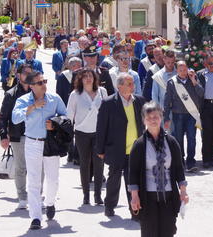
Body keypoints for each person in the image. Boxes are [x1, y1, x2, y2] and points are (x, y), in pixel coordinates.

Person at [12, 71, 67, 230]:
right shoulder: (23, 100)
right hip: (32, 143)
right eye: (40, 83)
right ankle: (36, 217)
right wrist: (32, 107)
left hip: (51, 143)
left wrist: (55, 124)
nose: (44, 85)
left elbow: (66, 116)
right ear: (31, 86)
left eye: (45, 81)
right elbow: (15, 118)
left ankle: (50, 203)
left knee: (53, 179)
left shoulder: (54, 98)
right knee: (34, 181)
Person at [129, 102, 189, 236]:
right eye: (148, 117)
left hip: (168, 197)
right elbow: (132, 173)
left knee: (168, 232)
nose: (152, 120)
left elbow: (179, 169)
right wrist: (134, 196)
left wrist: (183, 192)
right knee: (149, 233)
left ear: (161, 117)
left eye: (155, 116)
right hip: (147, 198)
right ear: (144, 120)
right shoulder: (139, 145)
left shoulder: (172, 142)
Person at [96, 73, 146, 218]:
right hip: (116, 149)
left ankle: (135, 211)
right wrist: (100, 149)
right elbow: (101, 127)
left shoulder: (140, 101)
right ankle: (110, 205)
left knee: (133, 182)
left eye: (132, 83)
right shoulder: (108, 103)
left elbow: (146, 123)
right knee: (114, 179)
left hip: (135, 150)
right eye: (129, 84)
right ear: (119, 86)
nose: (133, 86)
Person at [67, 69, 108, 205]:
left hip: (99, 133)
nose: (88, 79)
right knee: (84, 163)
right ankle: (86, 195)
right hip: (81, 133)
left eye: (90, 76)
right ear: (80, 79)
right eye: (85, 77)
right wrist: (68, 134)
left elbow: (107, 114)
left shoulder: (102, 92)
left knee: (99, 164)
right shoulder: (75, 94)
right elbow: (69, 115)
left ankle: (97, 195)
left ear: (95, 78)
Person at [0, 64, 32, 209]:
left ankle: (36, 194)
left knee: (37, 167)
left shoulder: (37, 92)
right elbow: (3, 117)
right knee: (20, 167)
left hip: (36, 135)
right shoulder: (11, 94)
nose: (28, 75)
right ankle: (22, 196)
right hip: (18, 136)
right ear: (18, 75)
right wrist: (3, 136)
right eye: (25, 73)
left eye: (31, 73)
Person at [163, 61, 204, 172]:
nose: (183, 72)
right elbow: (167, 101)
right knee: (178, 139)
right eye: (180, 70)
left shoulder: (193, 79)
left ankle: (191, 162)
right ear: (176, 70)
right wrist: (166, 117)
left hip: (192, 115)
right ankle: (180, 160)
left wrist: (194, 81)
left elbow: (201, 93)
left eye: (185, 69)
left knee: (192, 139)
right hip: (178, 114)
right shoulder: (172, 82)